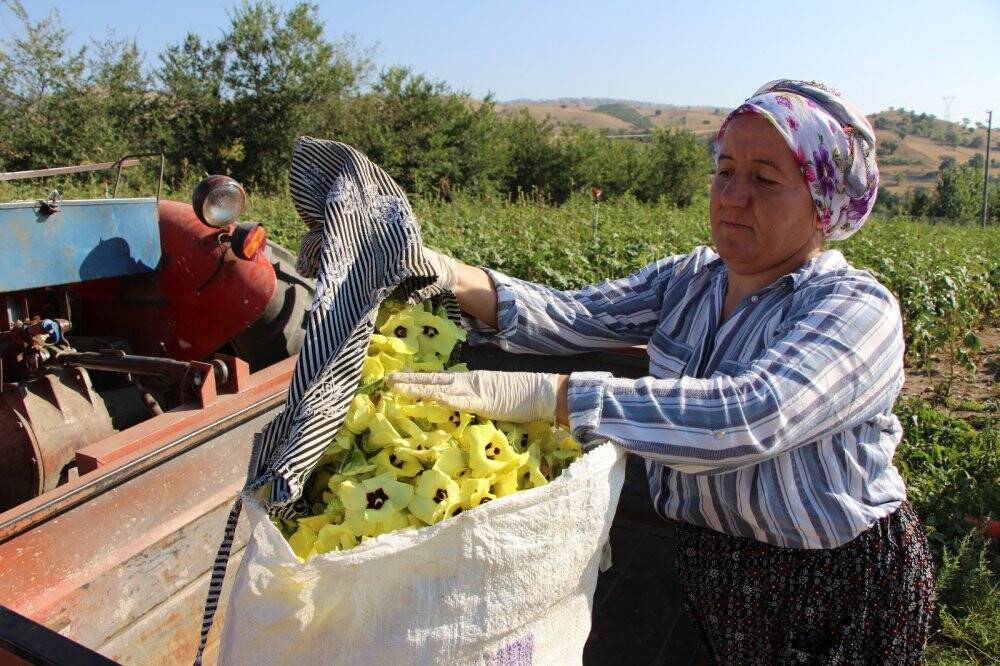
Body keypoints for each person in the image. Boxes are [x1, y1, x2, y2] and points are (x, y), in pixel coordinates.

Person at [390, 80, 935, 664]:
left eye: (765, 179)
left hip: (830, 585)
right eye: (725, 171)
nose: (733, 195)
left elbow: (750, 415)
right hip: (718, 570)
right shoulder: (691, 280)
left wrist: (555, 396)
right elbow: (576, 314)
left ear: (822, 201)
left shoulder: (856, 308)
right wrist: (442, 270)